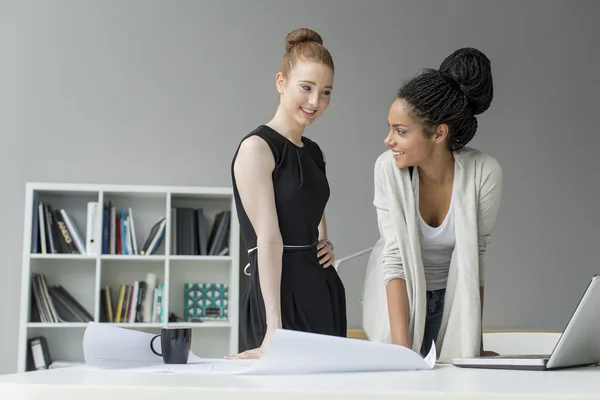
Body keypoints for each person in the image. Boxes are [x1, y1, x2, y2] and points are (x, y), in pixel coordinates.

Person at [362, 47, 503, 363]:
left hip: (453, 304)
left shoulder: (485, 173)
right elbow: (394, 259)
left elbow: (474, 258)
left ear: (439, 133)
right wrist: (401, 353)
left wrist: (473, 343)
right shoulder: (388, 169)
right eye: (389, 128)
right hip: (398, 300)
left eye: (400, 131)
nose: (388, 140)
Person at [228, 28, 347, 359]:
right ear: (281, 82)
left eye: (325, 92)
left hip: (322, 292)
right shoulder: (257, 149)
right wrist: (273, 327)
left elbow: (312, 208)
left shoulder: (315, 153)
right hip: (277, 299)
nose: (315, 102)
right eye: (306, 88)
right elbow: (268, 239)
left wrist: (324, 243)